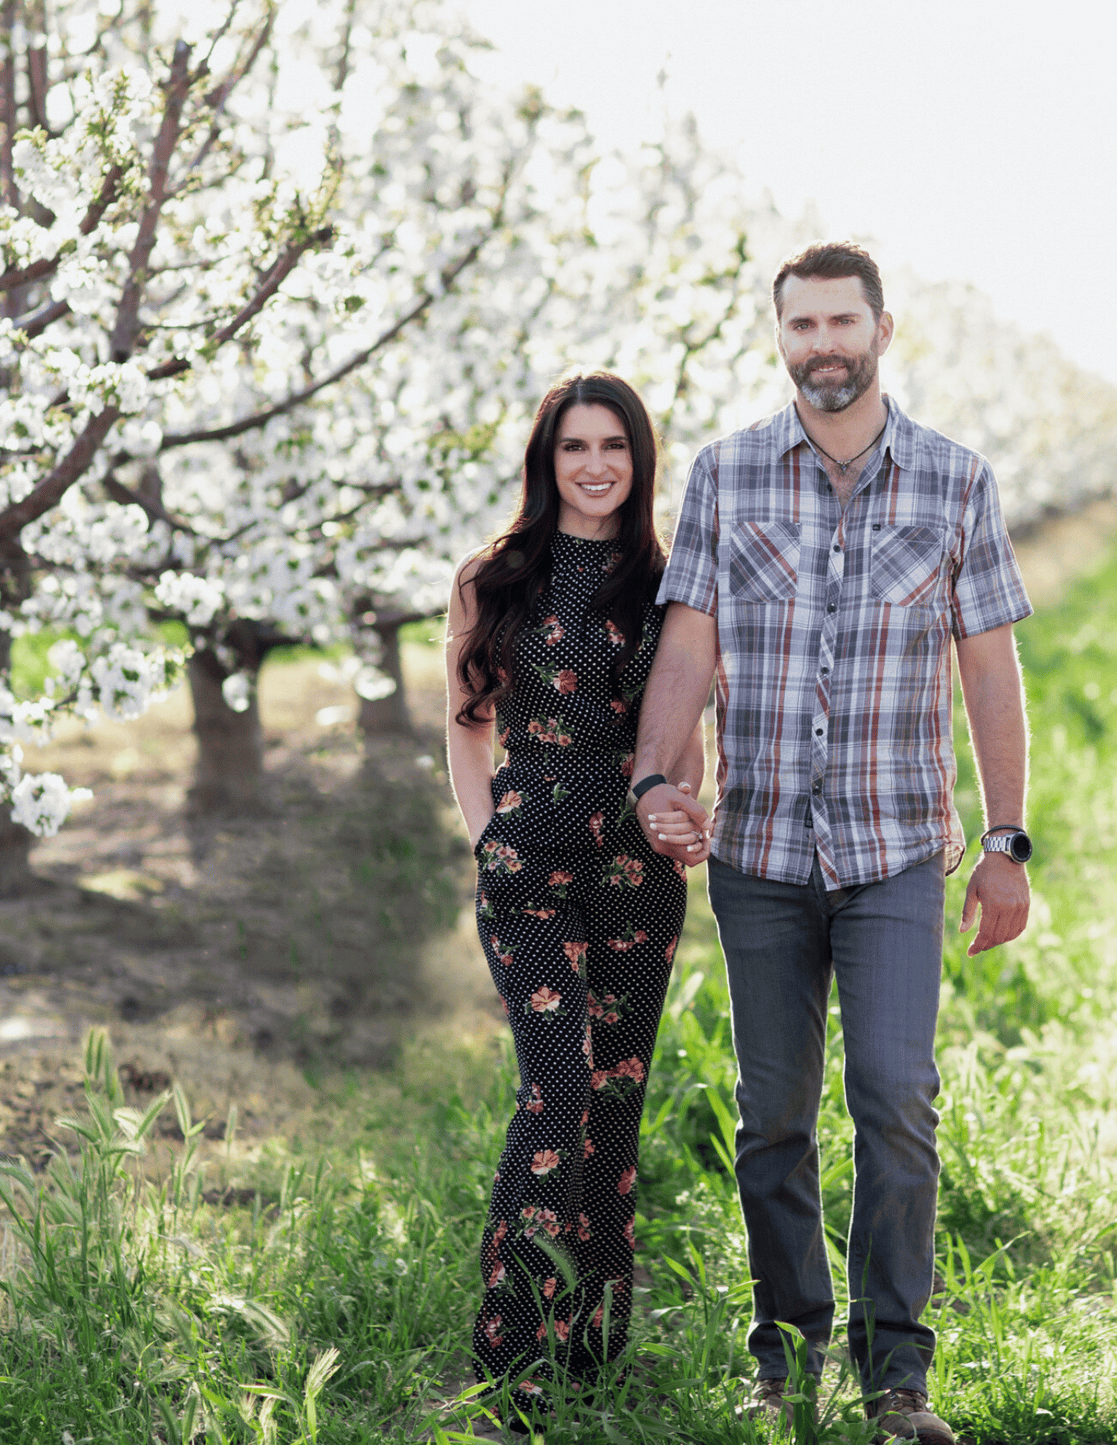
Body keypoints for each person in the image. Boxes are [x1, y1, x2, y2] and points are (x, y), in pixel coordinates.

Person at [631, 243, 1033, 1445]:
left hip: (895, 847)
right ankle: (785, 1343)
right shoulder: (726, 473)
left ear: (882, 329)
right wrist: (657, 774)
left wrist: (1007, 836)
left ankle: (895, 1372)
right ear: (780, 338)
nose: (821, 344)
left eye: (839, 321)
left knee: (896, 1094)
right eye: (799, 324)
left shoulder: (955, 482)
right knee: (771, 1115)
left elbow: (989, 674)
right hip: (757, 849)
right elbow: (689, 649)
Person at [444, 373, 709, 1401]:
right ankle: (510, 1359)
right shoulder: (493, 577)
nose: (594, 464)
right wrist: (488, 839)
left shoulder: (671, 580)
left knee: (614, 1100)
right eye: (572, 446)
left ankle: (591, 1347)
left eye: (614, 446)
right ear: (544, 459)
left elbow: (689, 729)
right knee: (554, 1091)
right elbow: (466, 727)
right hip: (529, 860)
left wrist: (689, 803)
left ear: (639, 461)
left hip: (639, 865)